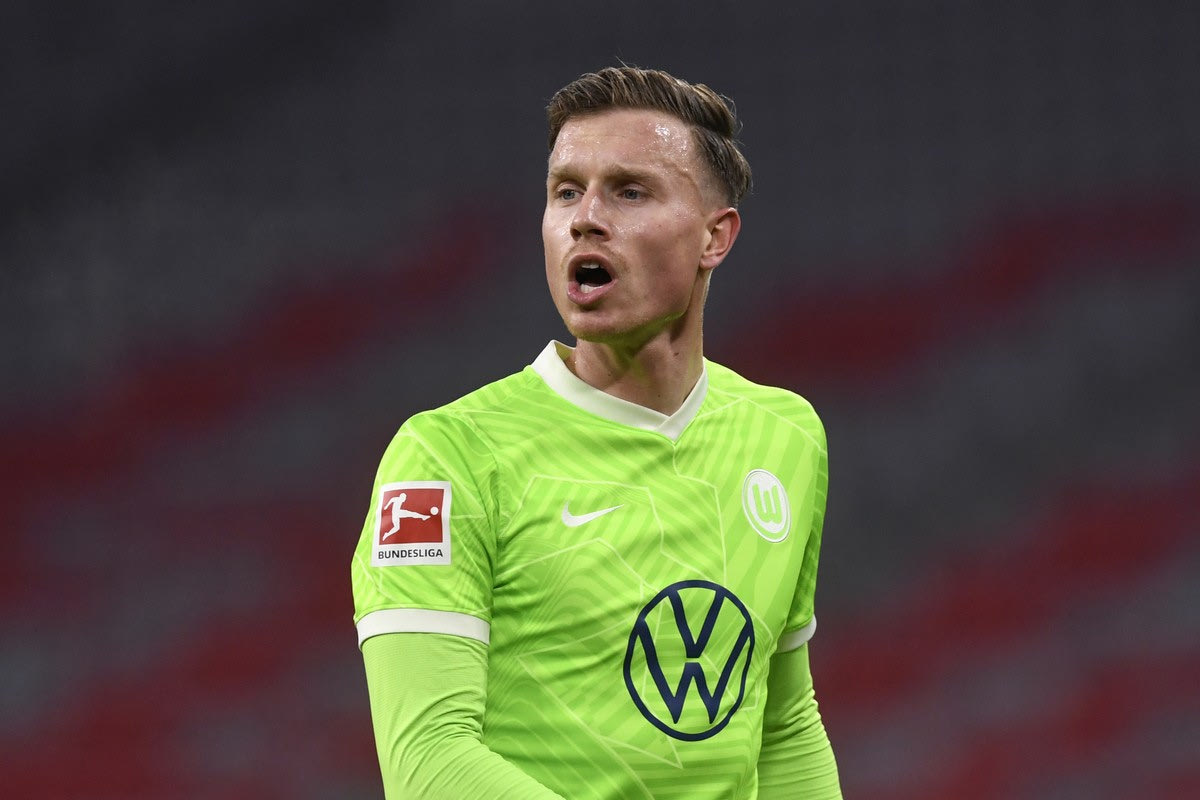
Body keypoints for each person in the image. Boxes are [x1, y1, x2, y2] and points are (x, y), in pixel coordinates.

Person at [351, 65, 842, 799]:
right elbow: (430, 763)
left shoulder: (786, 434)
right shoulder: (448, 458)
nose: (585, 217)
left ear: (715, 237)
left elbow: (783, 725)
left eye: (630, 191)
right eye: (565, 191)